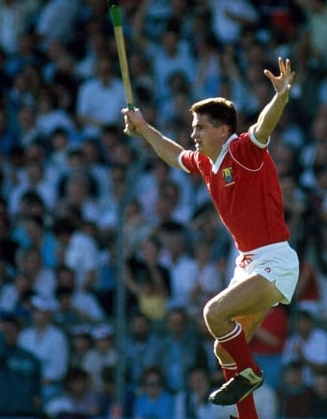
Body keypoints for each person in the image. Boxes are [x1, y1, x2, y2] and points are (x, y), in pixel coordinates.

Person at [122, 57, 299, 419]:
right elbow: (173, 154)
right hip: (247, 263)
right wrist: (142, 127)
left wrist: (279, 97)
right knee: (223, 351)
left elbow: (264, 126)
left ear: (222, 130)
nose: (194, 134)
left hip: (275, 259)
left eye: (201, 127)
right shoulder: (206, 162)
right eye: (193, 127)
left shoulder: (243, 151)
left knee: (213, 313)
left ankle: (251, 373)